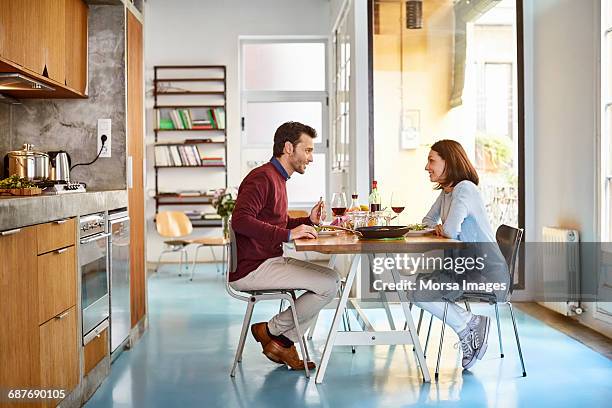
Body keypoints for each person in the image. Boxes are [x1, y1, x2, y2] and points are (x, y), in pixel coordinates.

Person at [230, 121, 340, 371]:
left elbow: (275, 220)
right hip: (253, 267)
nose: (311, 158)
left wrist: (306, 221)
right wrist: (289, 234)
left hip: (267, 260)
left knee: (333, 279)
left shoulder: (277, 178)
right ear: (289, 148)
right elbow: (241, 220)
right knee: (329, 284)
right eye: (308, 150)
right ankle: (273, 332)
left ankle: (281, 342)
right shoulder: (263, 177)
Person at [414, 139, 509, 370]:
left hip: (485, 273)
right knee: (416, 289)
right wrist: (442, 230)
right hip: (463, 268)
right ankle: (469, 324)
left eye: (431, 161)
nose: (427, 167)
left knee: (419, 291)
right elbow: (427, 222)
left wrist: (443, 230)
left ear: (449, 162)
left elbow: (450, 229)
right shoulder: (448, 192)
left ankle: (470, 326)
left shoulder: (465, 189)